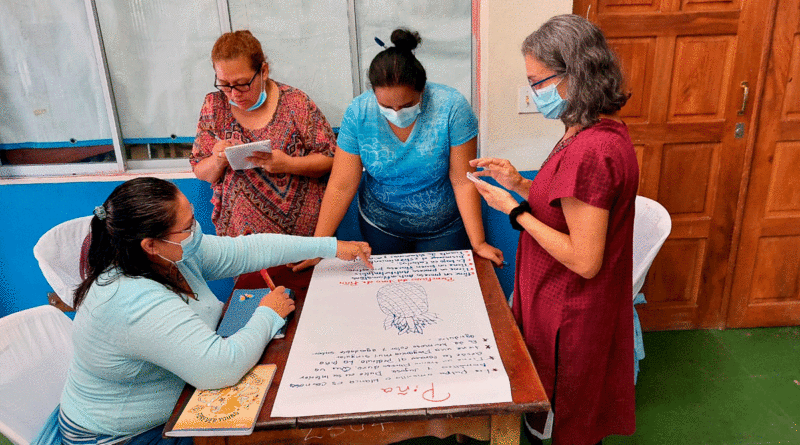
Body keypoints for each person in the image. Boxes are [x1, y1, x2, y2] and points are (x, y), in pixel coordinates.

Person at [53, 177, 371, 445]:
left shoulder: (170, 253)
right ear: (150, 244)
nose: (197, 231)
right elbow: (220, 369)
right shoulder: (132, 300)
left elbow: (248, 250)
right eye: (188, 226)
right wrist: (268, 313)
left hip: (179, 400)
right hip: (123, 436)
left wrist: (329, 247)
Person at [470, 15, 638, 445]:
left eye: (538, 82)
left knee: (569, 417)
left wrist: (515, 211)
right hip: (557, 297)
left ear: (575, 73)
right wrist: (520, 184)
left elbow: (584, 260)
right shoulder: (587, 131)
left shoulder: (591, 151)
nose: (534, 93)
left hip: (572, 309)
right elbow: (570, 205)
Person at [294, 28, 502, 271]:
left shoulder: (451, 108)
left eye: (406, 105)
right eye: (386, 106)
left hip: (444, 228)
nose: (396, 113)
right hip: (380, 225)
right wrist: (320, 248)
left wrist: (478, 242)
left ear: (423, 89)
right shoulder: (358, 113)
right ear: (373, 93)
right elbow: (341, 184)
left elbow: (463, 181)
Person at [190, 30, 336, 237]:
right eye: (224, 85)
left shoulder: (295, 102)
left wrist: (288, 164)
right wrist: (218, 160)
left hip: (302, 236)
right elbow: (200, 169)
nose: (234, 94)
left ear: (263, 71)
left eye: (242, 84)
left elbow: (331, 158)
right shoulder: (214, 106)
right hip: (241, 240)